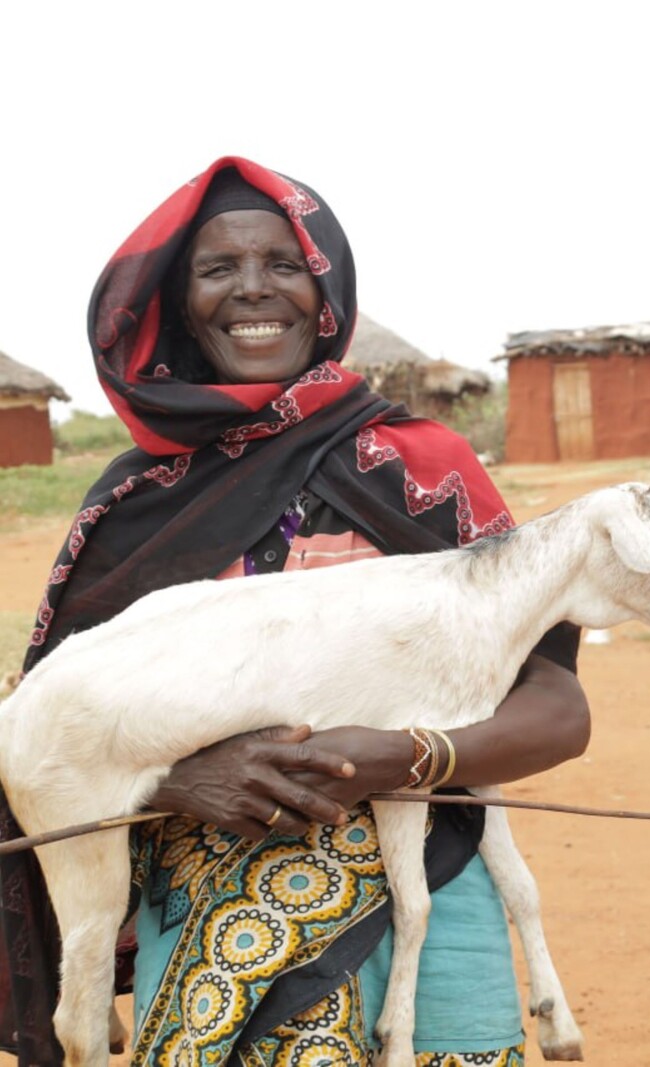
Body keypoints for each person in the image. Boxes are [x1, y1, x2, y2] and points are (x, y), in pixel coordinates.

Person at [0, 157, 591, 1066]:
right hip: (204, 890)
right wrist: (176, 778)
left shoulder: (424, 470)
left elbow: (558, 709)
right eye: (217, 268)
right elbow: (51, 740)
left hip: (429, 877)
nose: (252, 290)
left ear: (325, 292)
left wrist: (415, 754)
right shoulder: (133, 507)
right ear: (175, 299)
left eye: (283, 263)